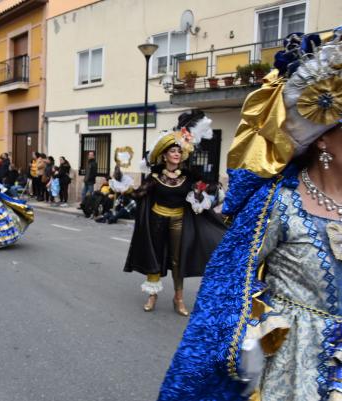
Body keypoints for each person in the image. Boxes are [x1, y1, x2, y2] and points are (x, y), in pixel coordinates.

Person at [158, 29, 342, 401]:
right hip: (290, 362)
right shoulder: (279, 200)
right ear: (323, 136)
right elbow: (230, 281)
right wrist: (261, 325)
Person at [124, 110, 226, 316]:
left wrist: (209, 191)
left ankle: (178, 298)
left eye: (179, 151)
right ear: (164, 155)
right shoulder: (154, 177)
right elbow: (139, 194)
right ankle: (152, 295)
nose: (177, 154)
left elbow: (205, 189)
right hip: (155, 220)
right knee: (155, 256)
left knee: (177, 259)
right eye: (172, 151)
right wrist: (123, 188)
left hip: (179, 221)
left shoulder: (189, 176)